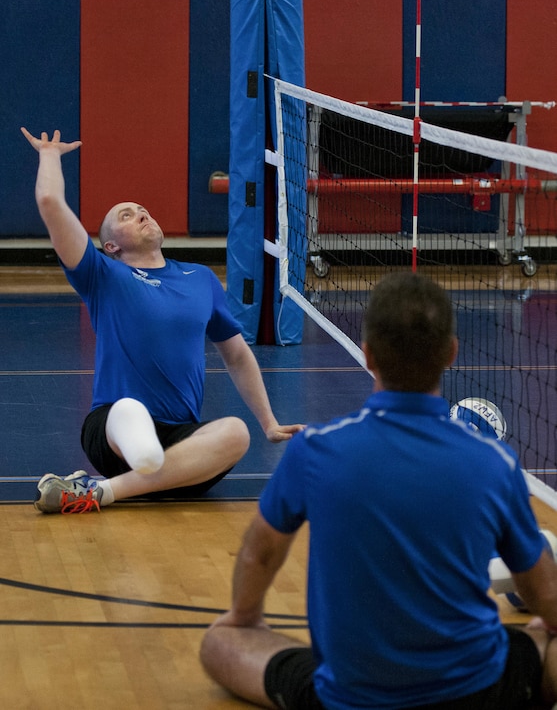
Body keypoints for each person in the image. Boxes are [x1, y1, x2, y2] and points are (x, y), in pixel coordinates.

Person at [200, 271, 557, 709]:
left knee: (220, 643)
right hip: (476, 691)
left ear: (367, 355)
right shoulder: (495, 461)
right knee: (543, 636)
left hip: (351, 696)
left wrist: (244, 619)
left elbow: (261, 552)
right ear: (451, 353)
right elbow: (542, 591)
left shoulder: (314, 449)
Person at [21, 127, 304, 514]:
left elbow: (237, 355)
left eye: (142, 209)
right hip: (113, 429)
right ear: (111, 246)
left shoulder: (201, 279)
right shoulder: (102, 275)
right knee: (130, 412)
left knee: (236, 433)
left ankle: (102, 491)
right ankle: (139, 465)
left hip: (181, 443)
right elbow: (50, 201)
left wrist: (269, 423)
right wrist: (50, 154)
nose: (141, 213)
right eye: (126, 214)